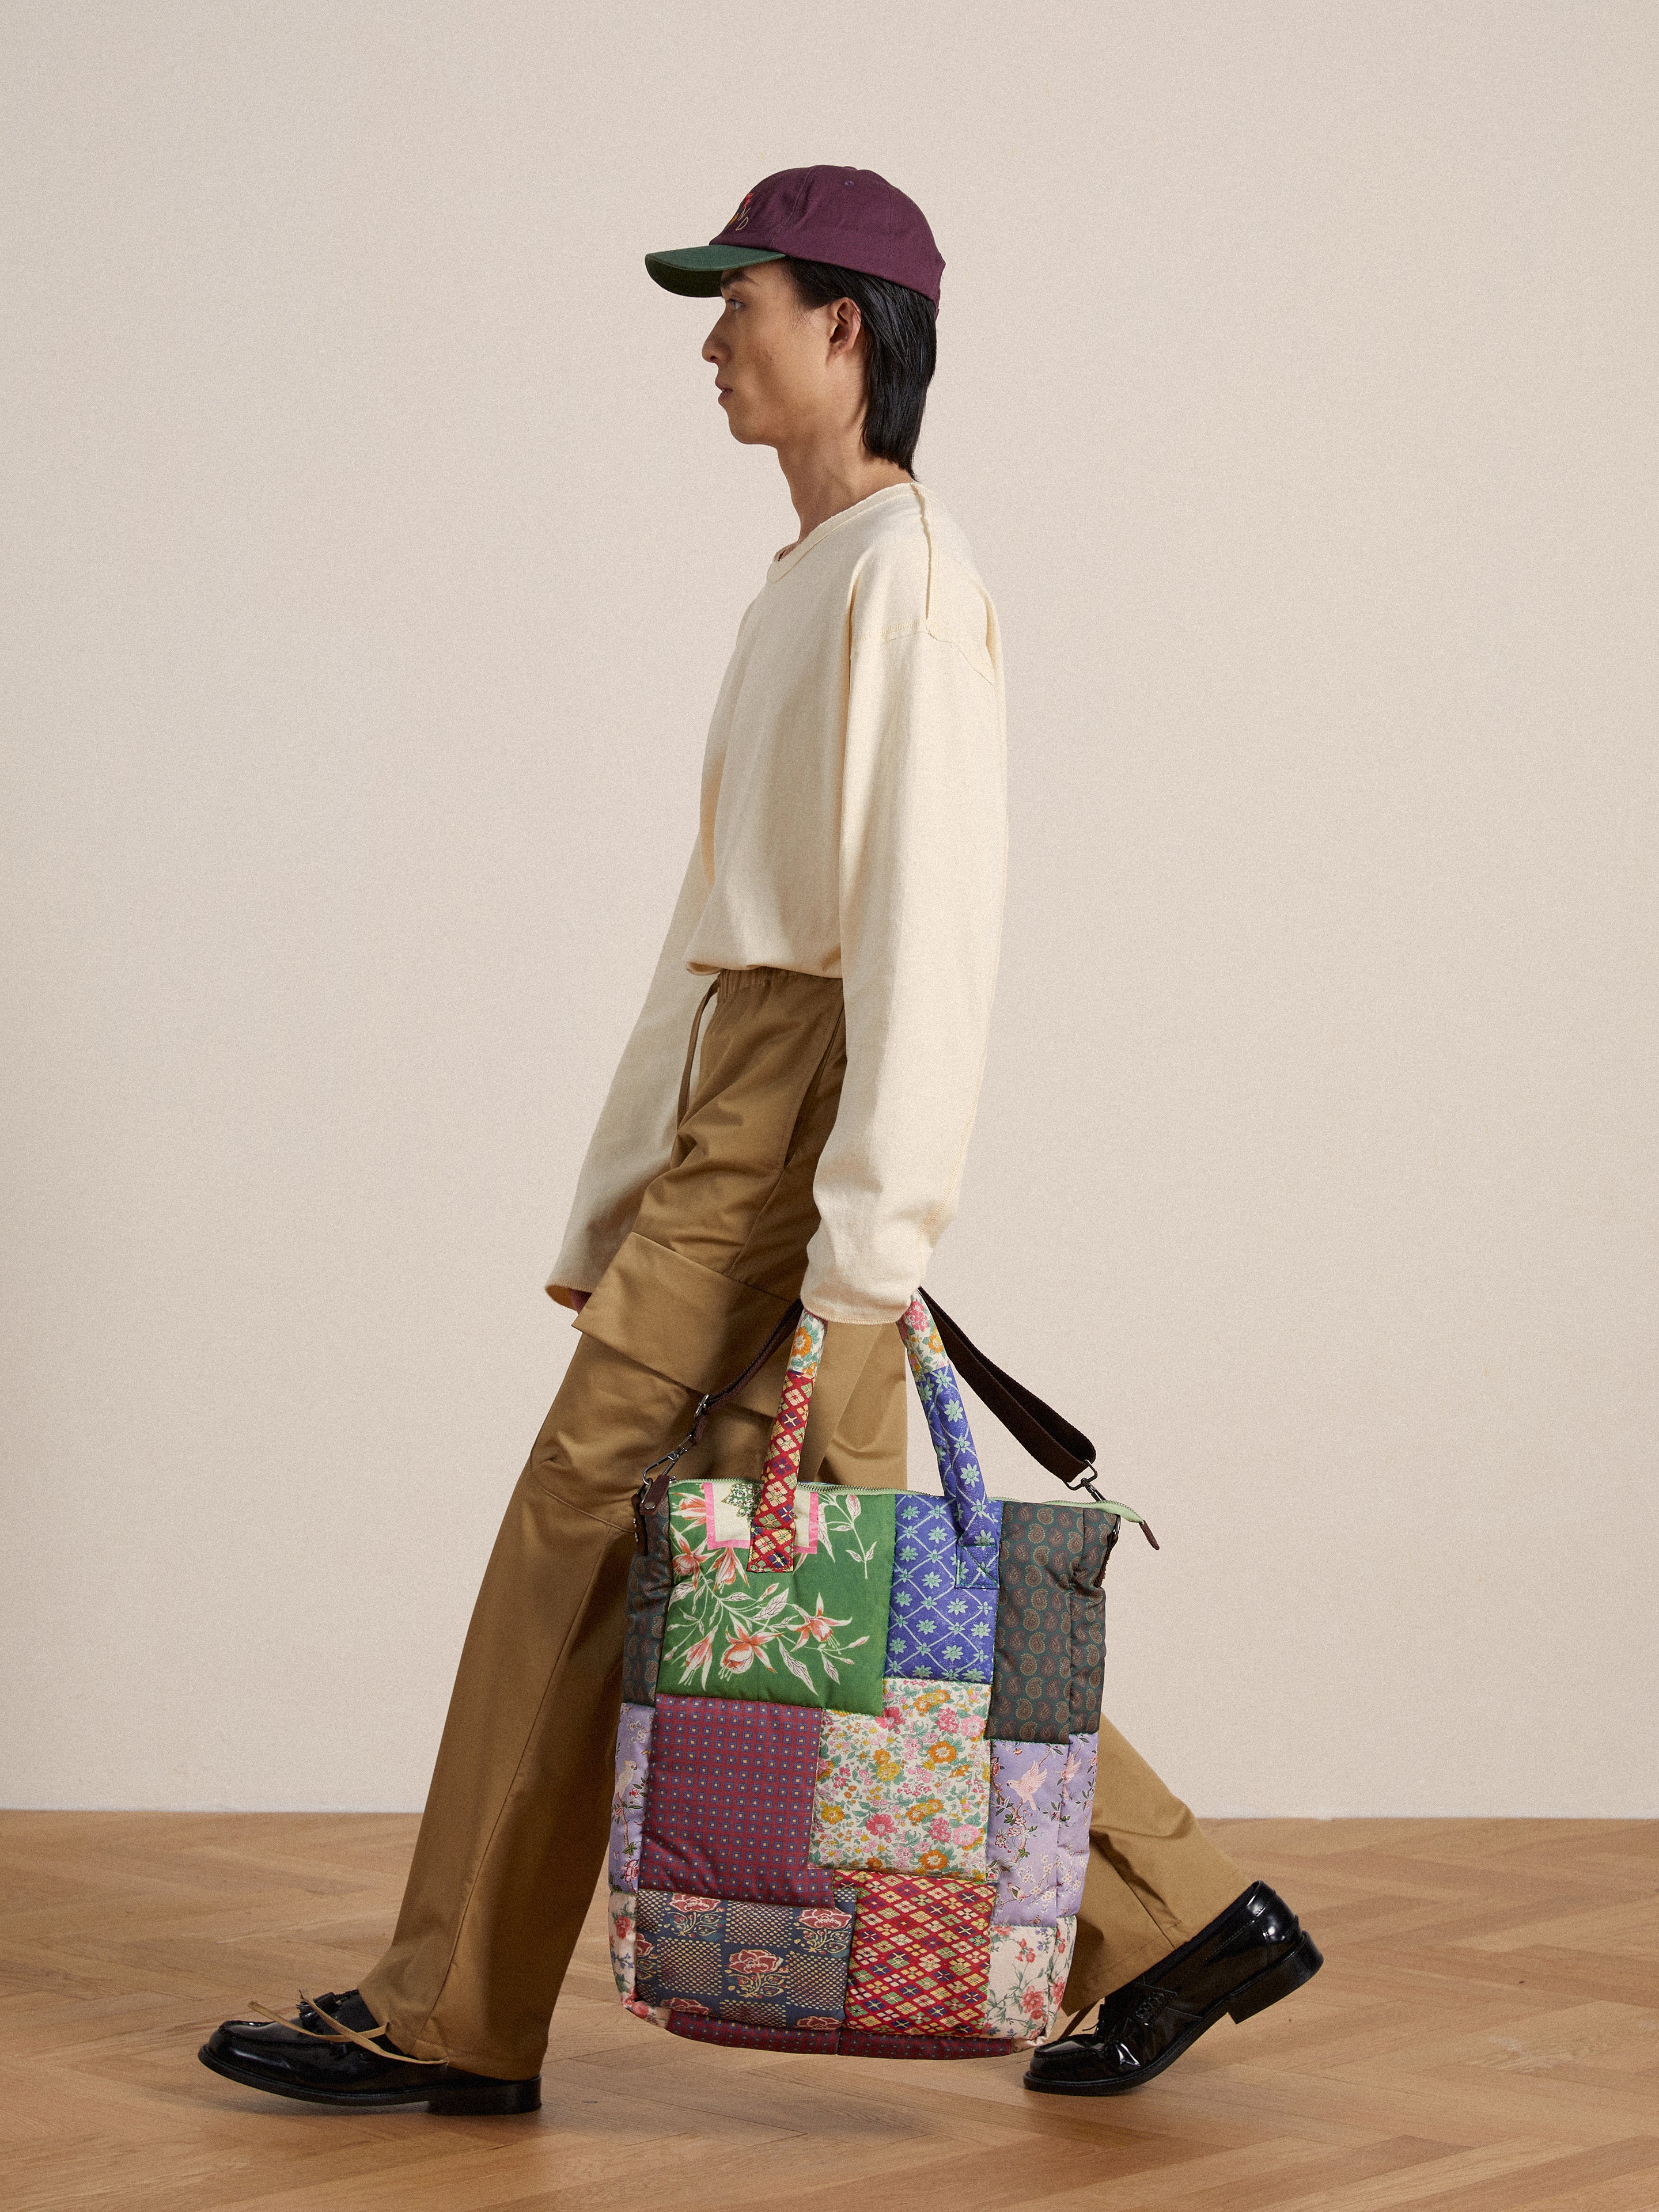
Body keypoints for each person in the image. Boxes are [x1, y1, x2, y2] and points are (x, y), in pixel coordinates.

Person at [200, 164, 1320, 2117]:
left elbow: (927, 936)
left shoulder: (912, 578)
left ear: (846, 330)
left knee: (596, 1535)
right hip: (746, 1110)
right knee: (830, 1581)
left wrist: (870, 1248)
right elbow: (711, 933)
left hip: (799, 1122)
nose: (712, 340)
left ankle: (451, 2010)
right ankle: (1180, 1913)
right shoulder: (813, 574)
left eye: (744, 301)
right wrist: (623, 1190)